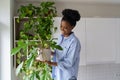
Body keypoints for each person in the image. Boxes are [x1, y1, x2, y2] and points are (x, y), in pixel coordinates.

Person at [45, 9, 81, 80]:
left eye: (66, 28)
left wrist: (51, 63)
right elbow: (58, 54)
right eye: (61, 26)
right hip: (57, 75)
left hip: (67, 77)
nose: (62, 29)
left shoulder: (74, 42)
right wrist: (48, 52)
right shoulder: (60, 37)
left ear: (72, 27)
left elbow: (69, 62)